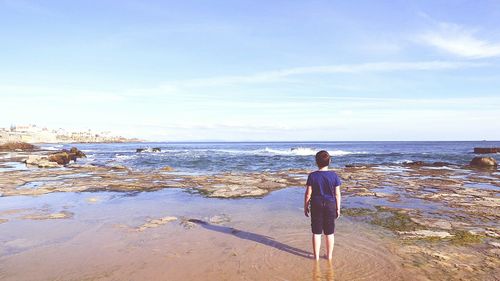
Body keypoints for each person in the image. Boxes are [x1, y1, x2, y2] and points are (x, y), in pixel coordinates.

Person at [304, 150, 342, 260]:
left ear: (316, 162)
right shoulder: (334, 176)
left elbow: (308, 194)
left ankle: (316, 257)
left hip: (316, 204)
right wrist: (338, 208)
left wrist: (306, 206)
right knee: (329, 232)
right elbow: (337, 194)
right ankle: (329, 256)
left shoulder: (312, 176)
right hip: (330, 204)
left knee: (316, 232)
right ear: (330, 161)